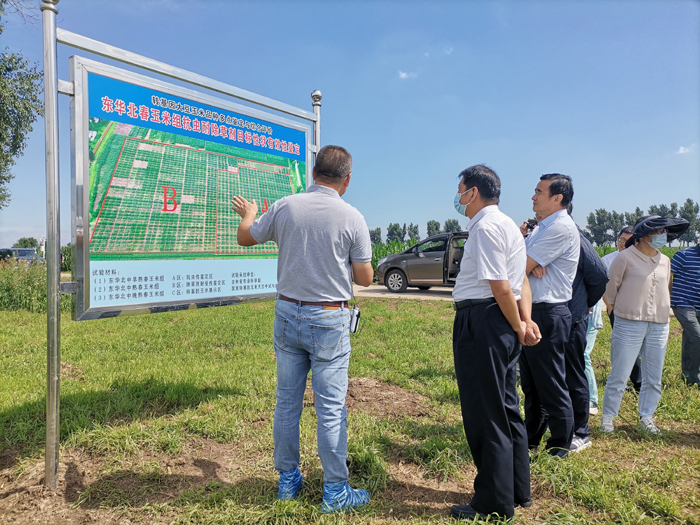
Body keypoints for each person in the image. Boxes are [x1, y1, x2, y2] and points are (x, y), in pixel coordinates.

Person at [231, 145, 374, 513]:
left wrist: (249, 215)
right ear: (347, 180)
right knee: (330, 409)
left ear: (313, 173)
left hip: (287, 314)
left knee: (287, 403)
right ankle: (335, 492)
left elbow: (246, 237)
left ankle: (288, 480)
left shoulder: (286, 206)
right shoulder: (352, 217)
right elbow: (365, 278)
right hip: (328, 319)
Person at [449, 165, 539, 521]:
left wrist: (518, 325)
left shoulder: (485, 227)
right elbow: (521, 282)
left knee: (484, 412)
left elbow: (500, 285)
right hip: (500, 319)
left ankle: (492, 502)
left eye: (461, 190)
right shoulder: (509, 226)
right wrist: (523, 321)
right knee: (505, 407)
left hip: (483, 320)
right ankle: (517, 490)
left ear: (473, 192)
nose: (458, 198)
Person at [601, 215, 689, 434]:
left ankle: (647, 417)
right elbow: (611, 288)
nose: (663, 236)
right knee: (620, 373)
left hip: (659, 324)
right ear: (643, 235)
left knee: (653, 376)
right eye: (659, 231)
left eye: (665, 232)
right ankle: (608, 418)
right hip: (629, 322)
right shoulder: (625, 258)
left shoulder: (665, 260)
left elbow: (666, 288)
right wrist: (614, 307)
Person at [519, 173, 580, 458]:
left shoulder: (560, 228)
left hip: (548, 312)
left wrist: (527, 264)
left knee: (551, 383)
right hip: (534, 310)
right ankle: (530, 439)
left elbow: (518, 266)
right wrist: (528, 263)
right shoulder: (541, 227)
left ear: (557, 198)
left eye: (539, 192)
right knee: (533, 384)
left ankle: (560, 445)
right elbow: (520, 262)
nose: (533, 196)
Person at [602, 226, 642, 393]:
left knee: (640, 345)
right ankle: (635, 381)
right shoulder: (607, 260)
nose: (623, 243)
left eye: (628, 240)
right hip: (616, 308)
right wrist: (609, 307)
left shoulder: (642, 259)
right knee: (622, 345)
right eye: (621, 239)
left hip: (639, 307)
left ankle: (642, 380)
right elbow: (602, 286)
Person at [670, 245, 700, 387]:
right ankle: (694, 377)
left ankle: (688, 375)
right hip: (682, 303)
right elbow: (665, 276)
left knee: (691, 338)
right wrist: (667, 297)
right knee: (697, 336)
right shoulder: (683, 255)